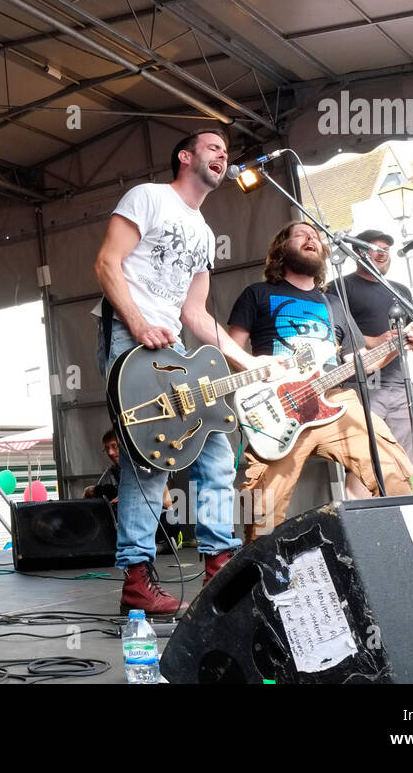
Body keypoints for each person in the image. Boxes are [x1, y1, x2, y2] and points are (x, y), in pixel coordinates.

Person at [94, 128, 271, 616]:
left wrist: (251, 363)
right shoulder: (148, 197)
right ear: (185, 156)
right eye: (214, 147)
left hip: (174, 352)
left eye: (226, 152)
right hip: (130, 339)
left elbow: (195, 313)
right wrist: (139, 322)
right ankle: (136, 580)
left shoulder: (206, 234)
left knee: (216, 449)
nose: (223, 155)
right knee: (148, 462)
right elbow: (107, 264)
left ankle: (220, 565)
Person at [226, 222, 413, 538]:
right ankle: (260, 576)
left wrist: (396, 346)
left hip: (334, 399)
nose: (312, 237)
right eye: (302, 234)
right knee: (262, 507)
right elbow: (229, 349)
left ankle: (401, 550)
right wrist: (260, 388)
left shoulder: (333, 303)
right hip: (278, 407)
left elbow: (358, 363)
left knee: (393, 467)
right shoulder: (258, 294)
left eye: (316, 236)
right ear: (280, 249)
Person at [337, 228, 413, 455]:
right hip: (362, 384)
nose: (382, 254)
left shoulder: (399, 290)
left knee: (406, 460)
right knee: (368, 458)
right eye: (376, 249)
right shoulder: (340, 286)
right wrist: (377, 340)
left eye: (386, 250)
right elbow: (336, 335)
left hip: (399, 384)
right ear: (358, 251)